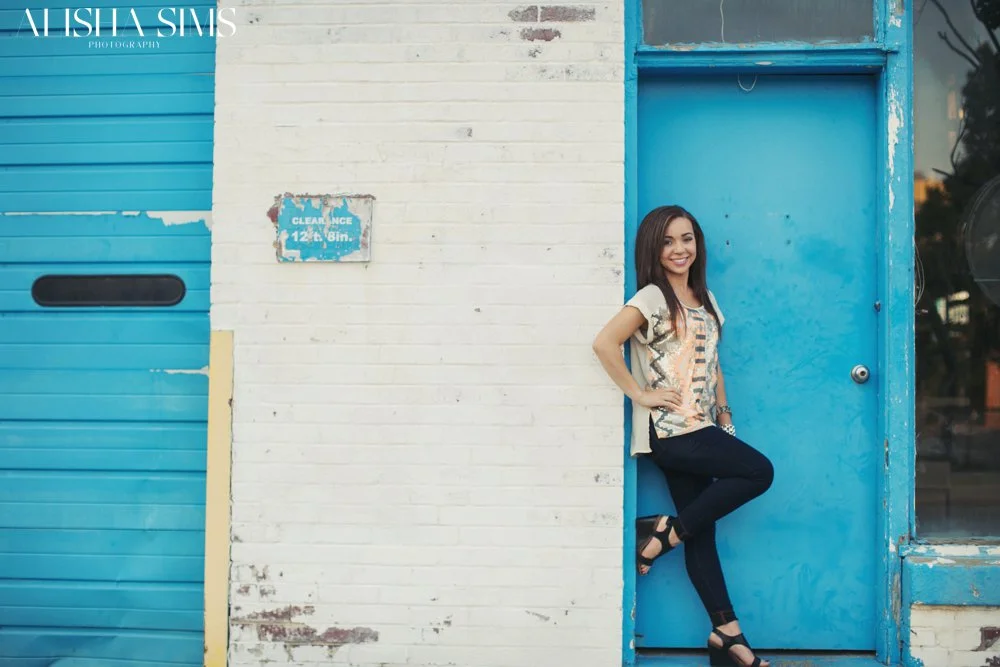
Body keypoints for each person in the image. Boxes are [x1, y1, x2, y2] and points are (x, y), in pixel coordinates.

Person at [592, 205, 775, 667]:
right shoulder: (652, 297)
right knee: (759, 471)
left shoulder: (706, 298)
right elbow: (604, 343)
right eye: (668, 241)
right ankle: (664, 534)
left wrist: (724, 417)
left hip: (702, 427)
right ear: (654, 249)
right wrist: (640, 394)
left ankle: (727, 636)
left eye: (687, 239)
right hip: (670, 432)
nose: (679, 249)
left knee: (702, 531)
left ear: (698, 244)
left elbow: (715, 366)